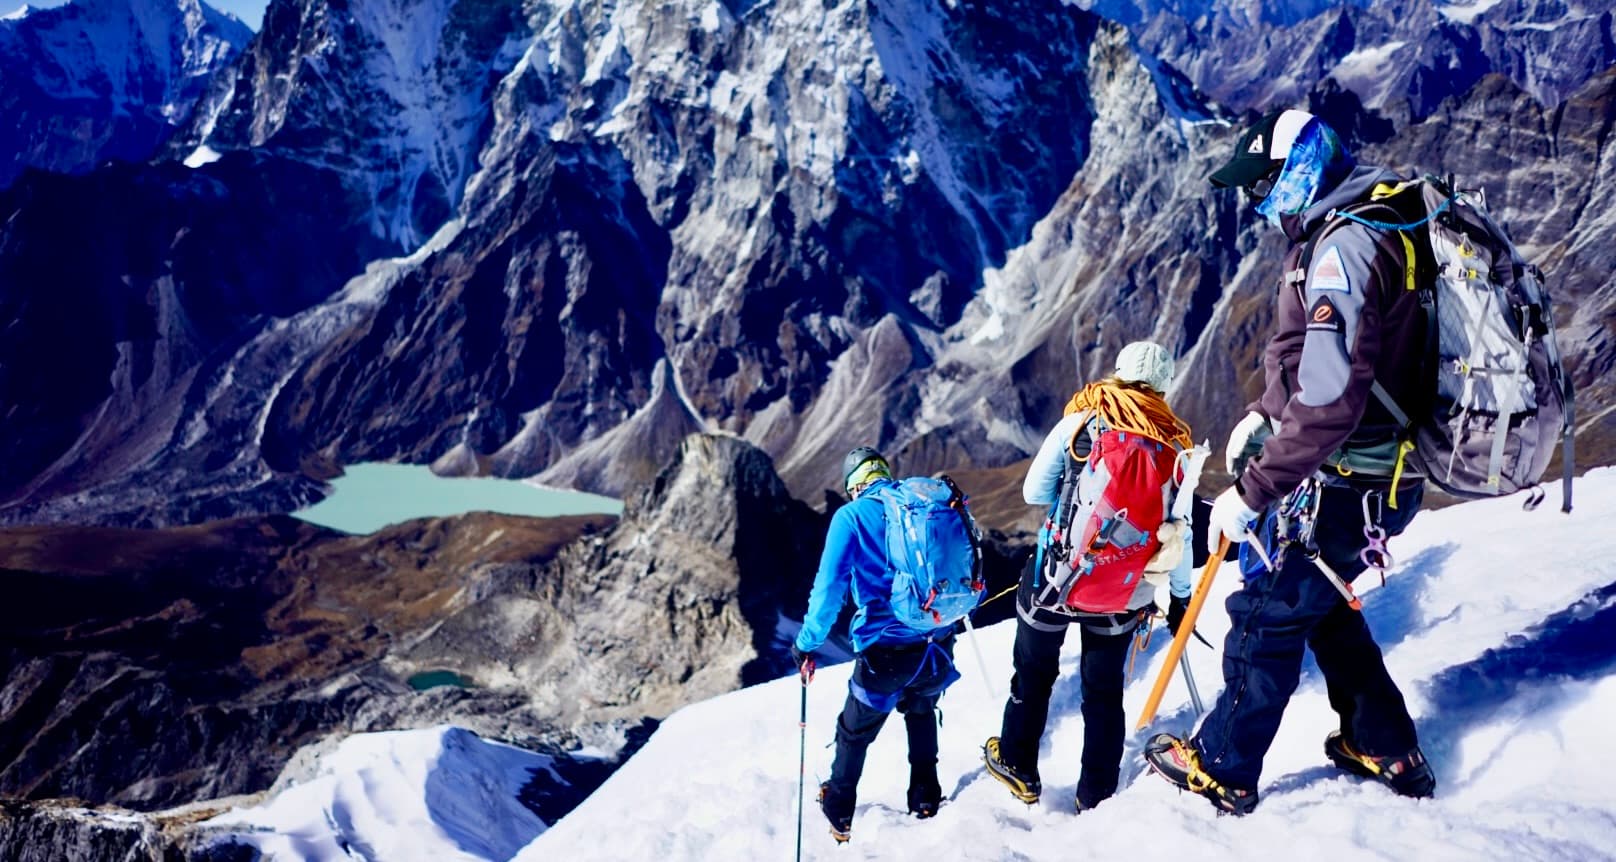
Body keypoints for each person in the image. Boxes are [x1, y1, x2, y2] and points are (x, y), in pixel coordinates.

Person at [1143, 109, 1436, 815]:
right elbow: (1298, 352)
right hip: (1363, 470)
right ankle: (1384, 743)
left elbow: (1332, 398)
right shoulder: (1341, 228)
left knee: (1266, 612)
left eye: (1263, 183)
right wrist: (1266, 412)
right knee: (1321, 602)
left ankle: (1223, 766)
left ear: (1298, 169)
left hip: (1356, 475)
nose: (1256, 200)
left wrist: (1255, 487)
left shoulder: (1344, 249)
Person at [983, 341, 1196, 812]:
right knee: (1103, 694)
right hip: (1124, 593)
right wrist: (1180, 598)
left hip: (1056, 578)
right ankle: (1095, 794)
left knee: (1034, 675)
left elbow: (1034, 491)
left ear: (1117, 373)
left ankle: (1018, 766)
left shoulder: (1082, 421)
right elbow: (1180, 535)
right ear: (1163, 384)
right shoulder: (1176, 446)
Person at [791, 447, 963, 840]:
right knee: (921, 711)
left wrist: (807, 644)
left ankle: (839, 810)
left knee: (854, 730)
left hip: (886, 652)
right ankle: (925, 799)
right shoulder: (922, 501)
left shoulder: (850, 517)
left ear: (854, 486)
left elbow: (829, 589)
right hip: (937, 644)